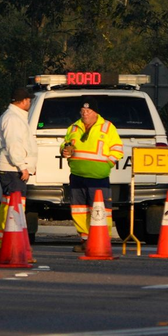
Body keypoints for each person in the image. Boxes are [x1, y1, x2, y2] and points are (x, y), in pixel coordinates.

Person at [61, 102, 124, 251]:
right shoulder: (74, 127)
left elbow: (118, 149)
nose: (85, 113)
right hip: (77, 176)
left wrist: (108, 164)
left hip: (98, 177)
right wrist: (64, 151)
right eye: (82, 110)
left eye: (88, 110)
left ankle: (102, 240)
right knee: (79, 210)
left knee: (100, 210)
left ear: (96, 112)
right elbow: (65, 143)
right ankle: (85, 240)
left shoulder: (107, 127)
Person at [0, 86, 36, 233]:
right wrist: (22, 166)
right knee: (14, 204)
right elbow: (14, 144)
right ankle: (10, 237)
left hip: (12, 168)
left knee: (10, 203)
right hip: (12, 169)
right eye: (29, 100)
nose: (30, 103)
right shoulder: (13, 119)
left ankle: (7, 237)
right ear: (24, 101)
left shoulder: (14, 117)